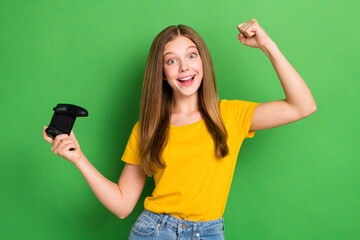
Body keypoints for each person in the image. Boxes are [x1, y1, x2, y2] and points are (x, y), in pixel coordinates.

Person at [43, 18, 317, 239]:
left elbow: (303, 106)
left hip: (208, 232)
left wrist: (267, 45)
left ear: (203, 62)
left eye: (191, 55)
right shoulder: (147, 128)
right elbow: (123, 205)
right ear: (162, 72)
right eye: (172, 60)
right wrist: (79, 159)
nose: (185, 67)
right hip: (153, 231)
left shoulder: (230, 115)